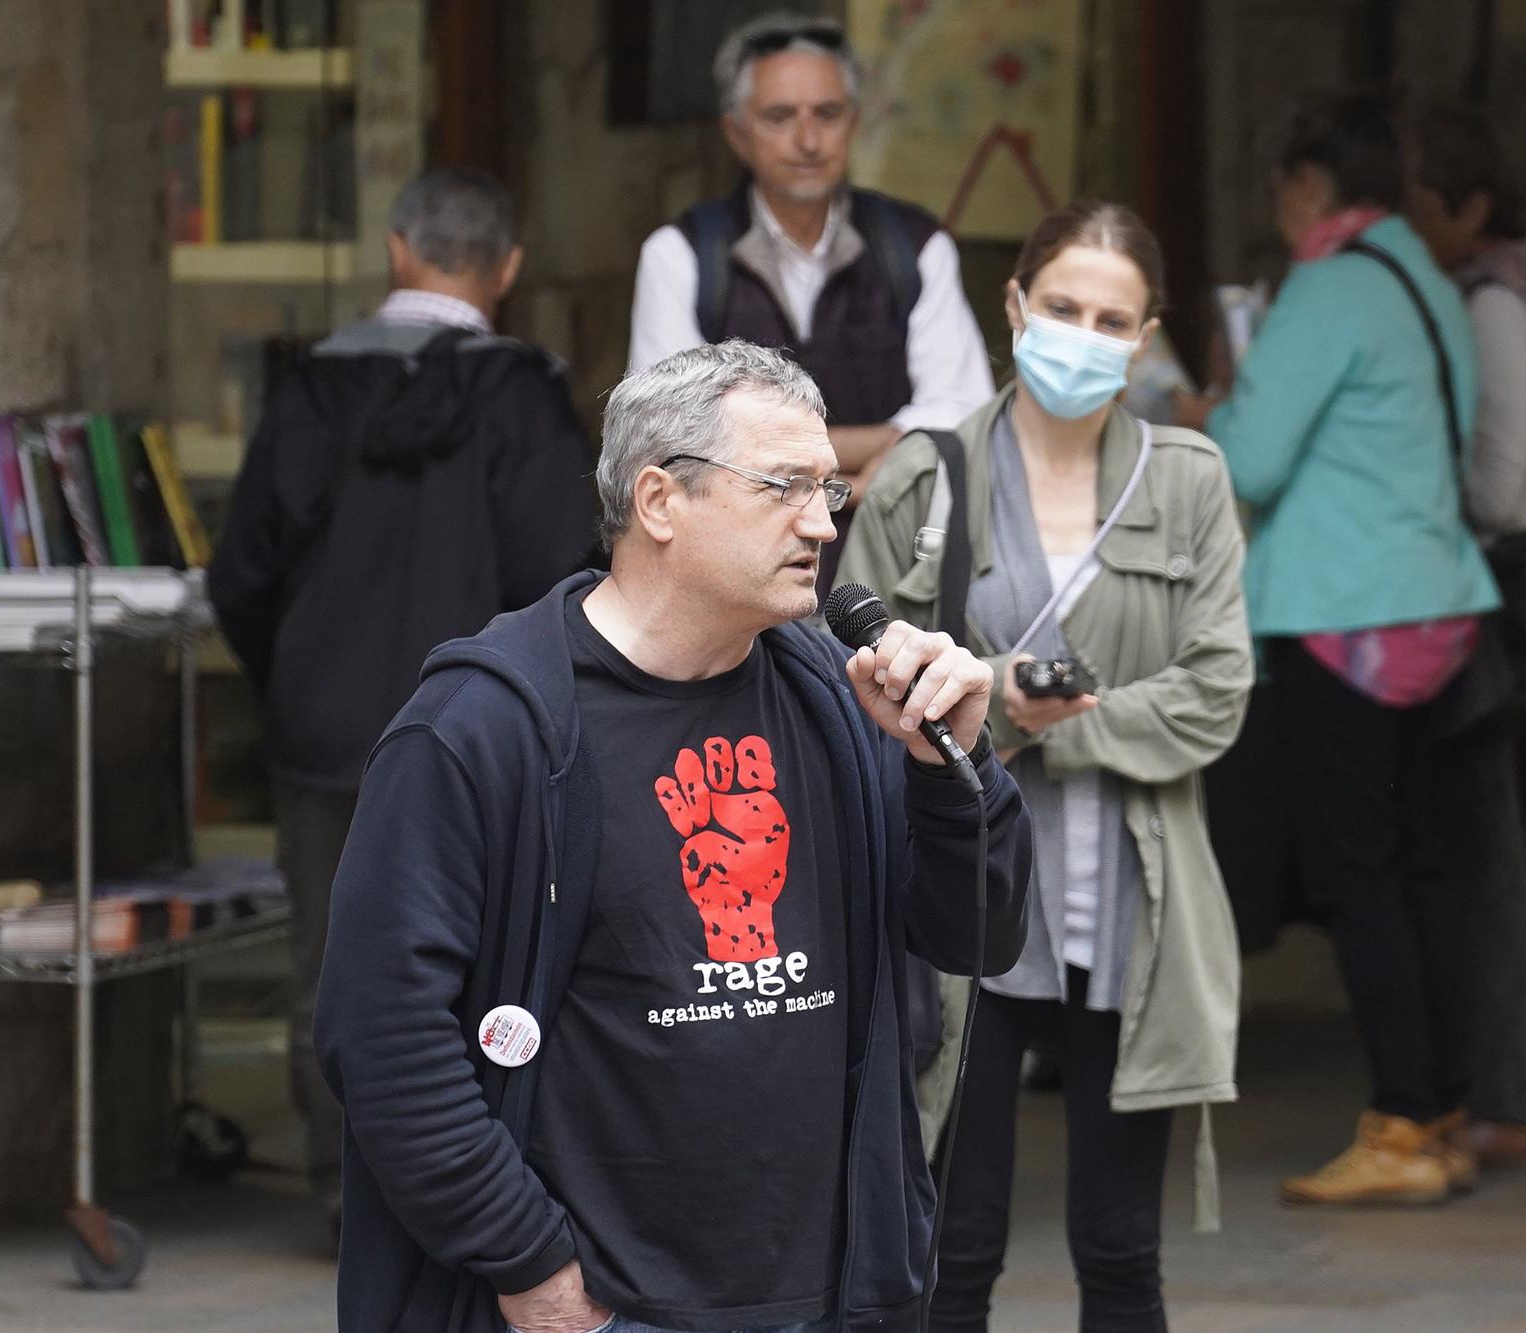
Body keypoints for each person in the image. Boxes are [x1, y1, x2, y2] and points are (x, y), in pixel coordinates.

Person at [313, 339, 1032, 1333]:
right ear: (657, 501)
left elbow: (978, 938)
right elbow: (383, 1034)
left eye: (828, 489)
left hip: (831, 1298)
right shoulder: (486, 726)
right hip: (605, 1309)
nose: (821, 522)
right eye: (783, 486)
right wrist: (531, 1265)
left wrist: (952, 770)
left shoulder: (836, 696)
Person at [841, 201, 1253, 1333]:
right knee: (951, 1244)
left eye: (1109, 318)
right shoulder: (925, 477)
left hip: (1135, 904)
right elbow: (852, 688)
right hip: (966, 904)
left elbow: (1215, 691)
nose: (1079, 334)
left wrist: (1037, 715)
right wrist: (997, 704)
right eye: (1060, 306)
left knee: (1119, 1253)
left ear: (1145, 335)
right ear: (1013, 305)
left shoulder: (1185, 479)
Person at [207, 167, 599, 1231]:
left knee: (330, 964)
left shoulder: (310, 387)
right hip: (491, 733)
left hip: (327, 732)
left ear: (394, 247)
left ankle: (348, 1197)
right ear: (507, 269)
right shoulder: (523, 396)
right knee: (493, 954)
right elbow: (565, 575)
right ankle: (478, 1194)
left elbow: (239, 571)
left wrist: (292, 677)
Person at [1174, 89, 1501, 1205]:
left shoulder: (1324, 286)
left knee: (1358, 875)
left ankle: (1401, 1124)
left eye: (1280, 190)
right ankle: (1443, 1102)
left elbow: (1252, 463)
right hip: (1431, 606)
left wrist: (1198, 399)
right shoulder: (1423, 278)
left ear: (1309, 185)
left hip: (1342, 615)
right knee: (1414, 865)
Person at [627, 10, 994, 593]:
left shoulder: (915, 247)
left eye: (827, 114)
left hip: (894, 577)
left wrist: (768, 460)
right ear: (736, 132)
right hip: (735, 588)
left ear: (855, 121)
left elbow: (967, 416)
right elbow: (665, 438)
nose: (807, 139)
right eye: (779, 117)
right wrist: (873, 446)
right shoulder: (683, 256)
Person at [1406, 99, 1526, 1170]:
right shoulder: (1514, 289)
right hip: (1508, 573)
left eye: (1422, 207)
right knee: (1475, 848)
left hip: (1495, 582)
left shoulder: (1491, 306)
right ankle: (1484, 1083)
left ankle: (1501, 1095)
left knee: (1480, 855)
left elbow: (1493, 483)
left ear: (1468, 207)